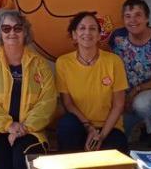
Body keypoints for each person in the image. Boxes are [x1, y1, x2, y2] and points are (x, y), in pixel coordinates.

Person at [0, 12, 57, 169]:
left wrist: (24, 128)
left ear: (25, 32)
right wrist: (9, 125)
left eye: (17, 28)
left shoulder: (40, 65)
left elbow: (48, 102)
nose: (12, 33)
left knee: (23, 159)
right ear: (0, 33)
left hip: (30, 131)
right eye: (6, 28)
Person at [56, 12, 130, 153]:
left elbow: (118, 105)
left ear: (98, 35)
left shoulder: (114, 61)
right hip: (80, 125)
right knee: (67, 124)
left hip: (109, 128)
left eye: (92, 28)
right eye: (82, 28)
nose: (87, 33)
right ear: (74, 35)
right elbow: (68, 103)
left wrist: (100, 136)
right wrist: (88, 127)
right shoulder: (63, 63)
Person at [109, 0, 151, 143]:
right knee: (120, 138)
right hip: (123, 91)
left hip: (149, 91)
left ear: (146, 18)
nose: (133, 20)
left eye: (138, 15)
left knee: (141, 103)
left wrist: (136, 91)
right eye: (128, 16)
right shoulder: (117, 37)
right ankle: (136, 129)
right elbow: (110, 67)